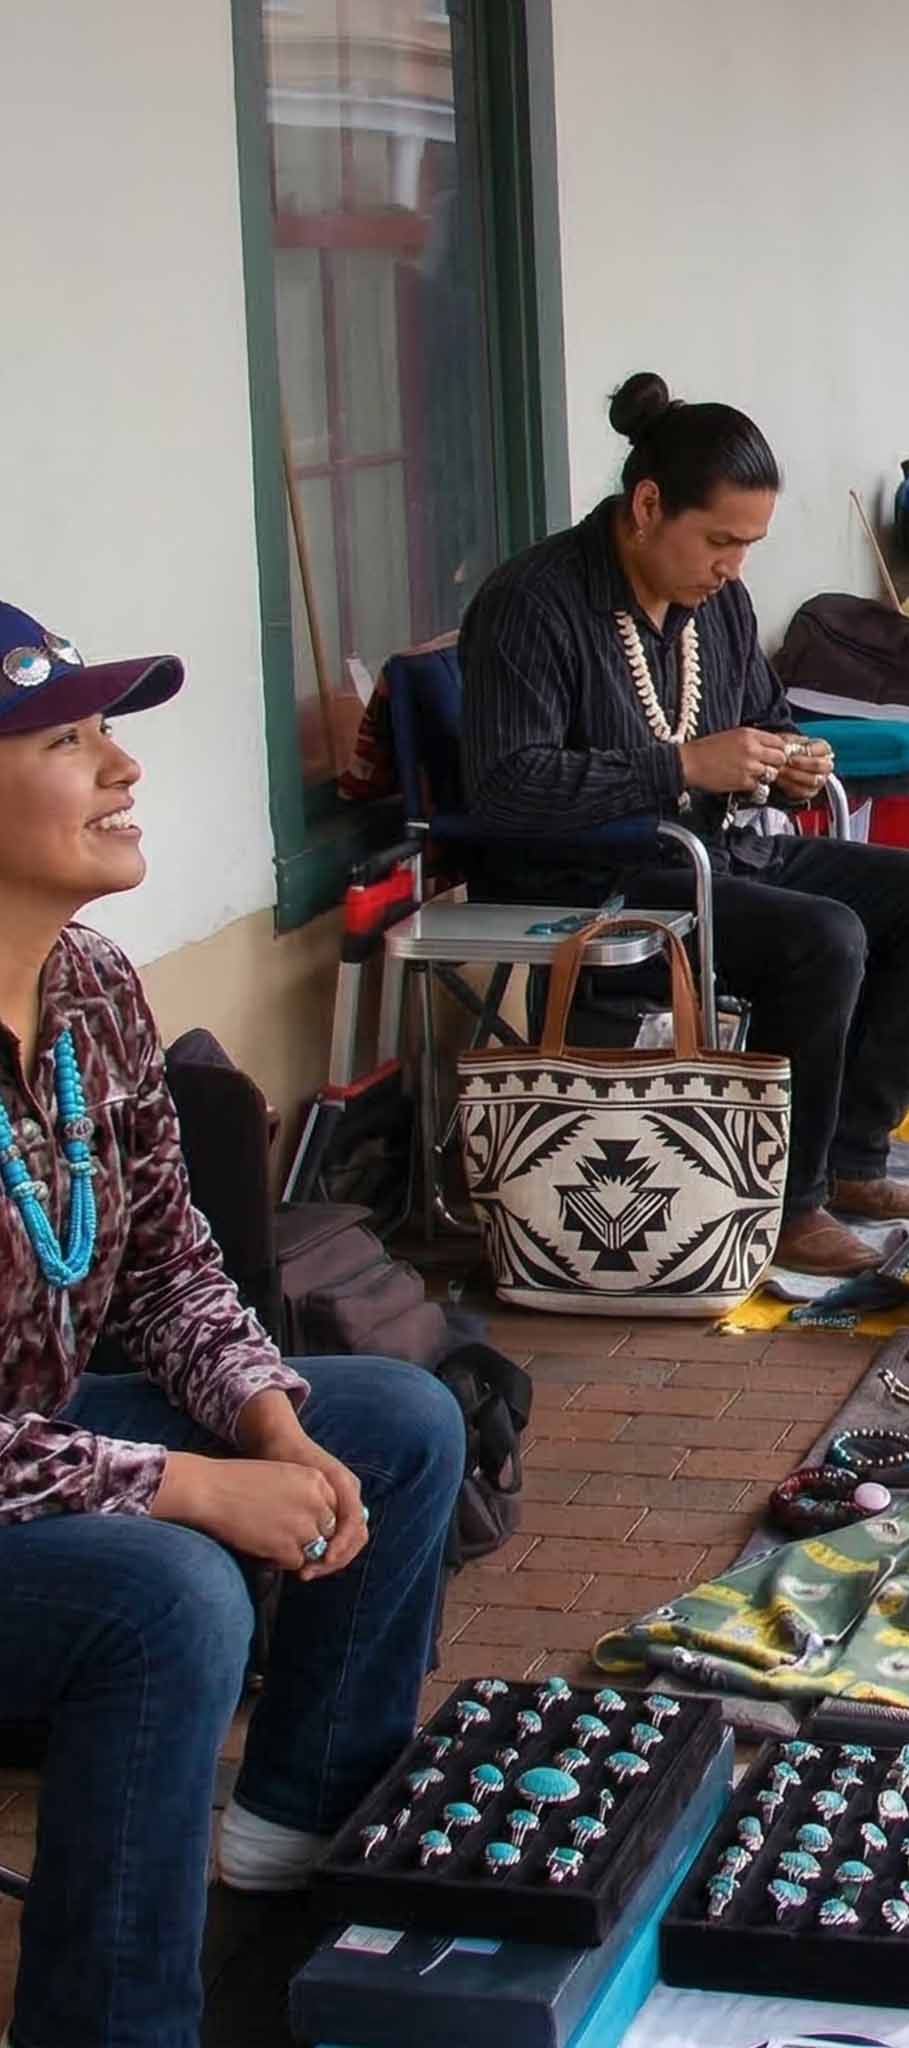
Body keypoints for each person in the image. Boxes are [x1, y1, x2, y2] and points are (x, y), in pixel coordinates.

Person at [0, 602, 466, 2048]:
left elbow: (170, 1274)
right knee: (168, 1598)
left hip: (36, 1455)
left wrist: (269, 1421)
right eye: (68, 738)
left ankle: (289, 1855)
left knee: (393, 1423)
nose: (122, 769)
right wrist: (190, 1486)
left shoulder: (89, 990)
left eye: (109, 730)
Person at [460, 376, 909, 1278]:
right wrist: (680, 765)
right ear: (648, 506)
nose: (734, 564)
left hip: (714, 848)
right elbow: (508, 785)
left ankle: (853, 1156)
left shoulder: (719, 602)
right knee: (821, 938)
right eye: (719, 540)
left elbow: (763, 714)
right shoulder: (533, 602)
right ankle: (785, 1201)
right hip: (590, 870)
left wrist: (791, 754)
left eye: (748, 544)